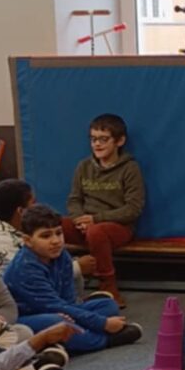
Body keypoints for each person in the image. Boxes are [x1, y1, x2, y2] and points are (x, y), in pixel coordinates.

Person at [5, 206, 143, 354]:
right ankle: (105, 340)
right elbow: (54, 306)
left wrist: (74, 315)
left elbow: (68, 301)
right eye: (46, 236)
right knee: (57, 322)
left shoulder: (61, 255)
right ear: (27, 240)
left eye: (59, 233)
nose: (55, 241)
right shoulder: (25, 267)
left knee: (108, 305)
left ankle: (62, 342)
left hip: (59, 309)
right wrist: (103, 324)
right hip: (25, 318)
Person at [62, 114, 145, 307]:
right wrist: (78, 220)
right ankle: (58, 282)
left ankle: (108, 287)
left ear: (119, 141)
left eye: (103, 139)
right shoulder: (83, 166)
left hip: (117, 227)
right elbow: (74, 199)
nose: (97, 144)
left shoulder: (130, 168)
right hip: (85, 225)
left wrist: (95, 219)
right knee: (52, 224)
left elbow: (133, 209)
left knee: (96, 232)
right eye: (93, 139)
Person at [0, 178, 93, 300]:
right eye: (33, 203)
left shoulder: (7, 228)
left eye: (58, 233)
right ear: (21, 211)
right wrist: (76, 268)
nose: (55, 240)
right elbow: (26, 283)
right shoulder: (2, 243)